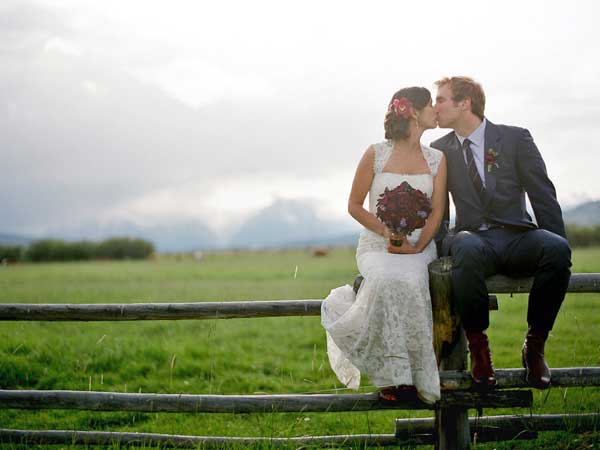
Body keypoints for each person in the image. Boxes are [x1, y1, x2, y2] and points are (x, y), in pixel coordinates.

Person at [431, 76, 572, 390]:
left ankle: (534, 346)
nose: (434, 107)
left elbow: (542, 194)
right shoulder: (439, 150)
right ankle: (479, 348)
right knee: (464, 246)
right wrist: (438, 250)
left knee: (557, 249)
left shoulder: (515, 138)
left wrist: (560, 243)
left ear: (464, 103)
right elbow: (438, 208)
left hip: (517, 236)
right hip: (473, 240)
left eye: (440, 99)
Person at [321, 87, 447, 404]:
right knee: (388, 278)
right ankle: (394, 378)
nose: (436, 110)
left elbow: (437, 212)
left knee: (412, 279)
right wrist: (387, 231)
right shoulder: (376, 153)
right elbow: (354, 205)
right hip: (378, 245)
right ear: (415, 112)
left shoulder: (437, 159)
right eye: (431, 104)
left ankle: (417, 376)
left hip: (420, 245)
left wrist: (417, 248)